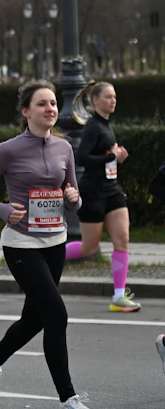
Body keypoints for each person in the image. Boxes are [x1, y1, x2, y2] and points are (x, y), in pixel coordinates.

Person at [0, 80, 95, 409]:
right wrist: (2, 209)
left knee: (34, 318)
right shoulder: (7, 150)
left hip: (54, 242)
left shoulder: (62, 148)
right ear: (26, 112)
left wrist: (73, 200)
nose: (50, 109)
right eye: (42, 104)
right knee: (56, 315)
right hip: (21, 243)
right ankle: (68, 401)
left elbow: (74, 193)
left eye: (53, 103)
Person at [65, 82, 138, 312]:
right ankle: (48, 256)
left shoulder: (107, 125)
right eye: (108, 97)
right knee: (89, 248)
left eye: (114, 96)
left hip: (113, 191)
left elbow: (106, 157)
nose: (113, 100)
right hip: (93, 192)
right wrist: (110, 158)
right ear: (95, 101)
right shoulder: (92, 127)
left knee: (122, 240)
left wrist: (116, 157)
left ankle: (118, 296)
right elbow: (83, 158)